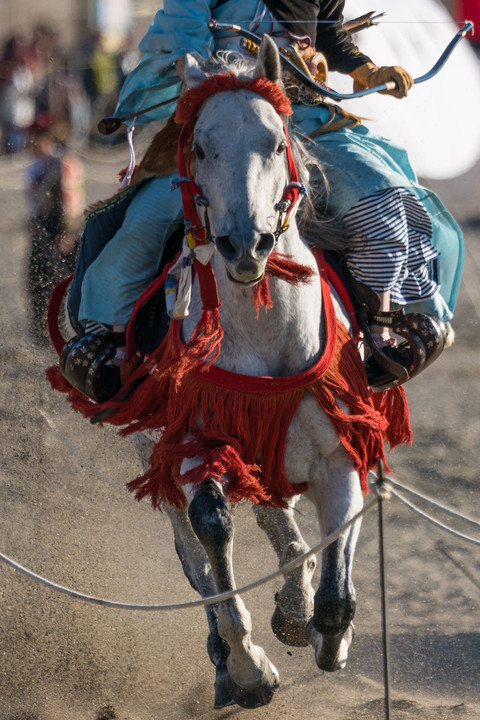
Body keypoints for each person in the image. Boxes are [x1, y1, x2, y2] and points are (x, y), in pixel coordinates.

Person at [65, 0, 463, 397]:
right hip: (222, 114)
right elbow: (184, 29)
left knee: (386, 200)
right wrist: (206, 77)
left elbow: (325, 27)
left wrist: (363, 67)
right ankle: (112, 340)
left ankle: (381, 333)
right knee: (147, 219)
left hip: (306, 119)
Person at [25, 114, 84, 345]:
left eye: (35, 136)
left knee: (60, 282)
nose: (30, 141)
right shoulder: (35, 165)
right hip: (40, 230)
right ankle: (41, 334)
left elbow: (72, 201)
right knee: (35, 282)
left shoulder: (63, 164)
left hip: (60, 232)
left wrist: (67, 233)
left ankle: (62, 334)